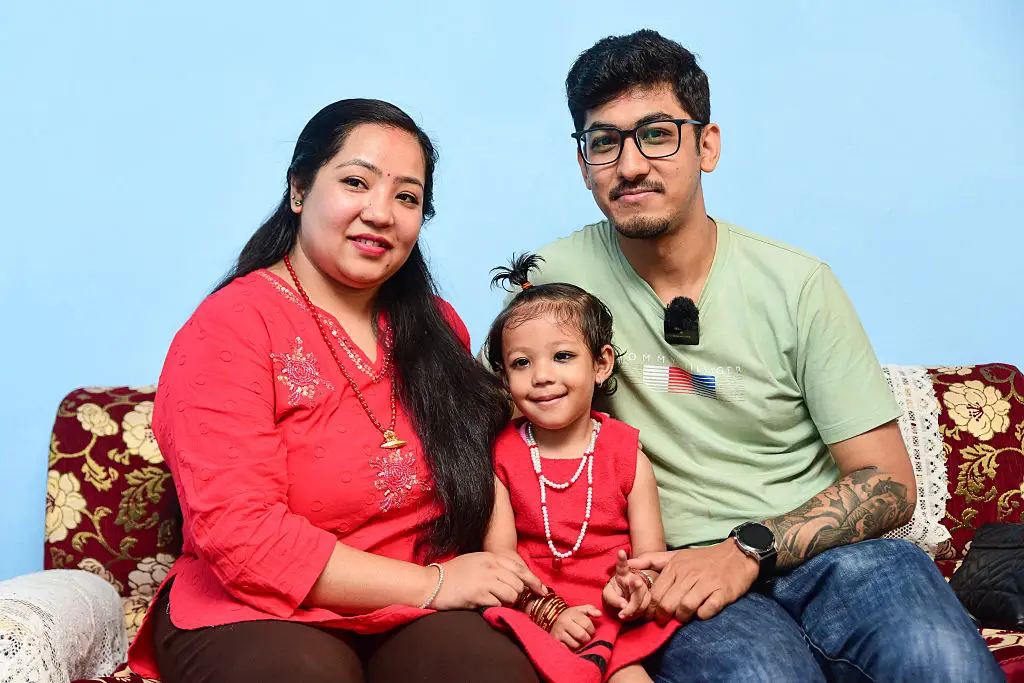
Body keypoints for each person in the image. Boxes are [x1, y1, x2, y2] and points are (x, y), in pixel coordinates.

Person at [492, 30, 1004, 682]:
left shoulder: (798, 283)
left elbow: (888, 480)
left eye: (656, 133)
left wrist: (746, 549)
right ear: (583, 162)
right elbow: (496, 420)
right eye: (604, 141)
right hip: (675, 570)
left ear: (708, 145)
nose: (629, 165)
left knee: (942, 662)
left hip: (839, 555)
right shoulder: (556, 283)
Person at [125, 98, 547, 683]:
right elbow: (242, 535)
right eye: (356, 182)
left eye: (407, 196)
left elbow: (489, 463)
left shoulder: (437, 325)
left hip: (419, 608)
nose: (381, 213)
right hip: (257, 608)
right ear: (299, 189)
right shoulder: (231, 326)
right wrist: (436, 584)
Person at [480, 254, 678, 683]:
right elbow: (501, 560)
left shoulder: (626, 454)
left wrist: (632, 587)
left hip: (612, 614)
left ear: (601, 363)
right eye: (522, 363)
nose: (542, 376)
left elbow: (650, 558)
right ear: (503, 376)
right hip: (531, 608)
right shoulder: (501, 457)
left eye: (563, 356)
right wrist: (550, 614)